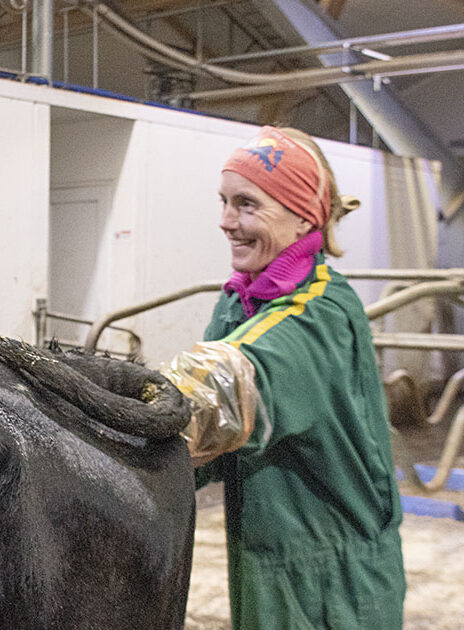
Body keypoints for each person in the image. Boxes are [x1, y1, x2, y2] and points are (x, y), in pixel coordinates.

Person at [194, 126, 406, 628]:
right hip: (264, 559)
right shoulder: (239, 300)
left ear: (302, 217)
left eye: (246, 204)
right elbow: (196, 448)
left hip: (333, 579)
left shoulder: (319, 311)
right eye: (224, 202)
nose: (226, 221)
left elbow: (215, 404)